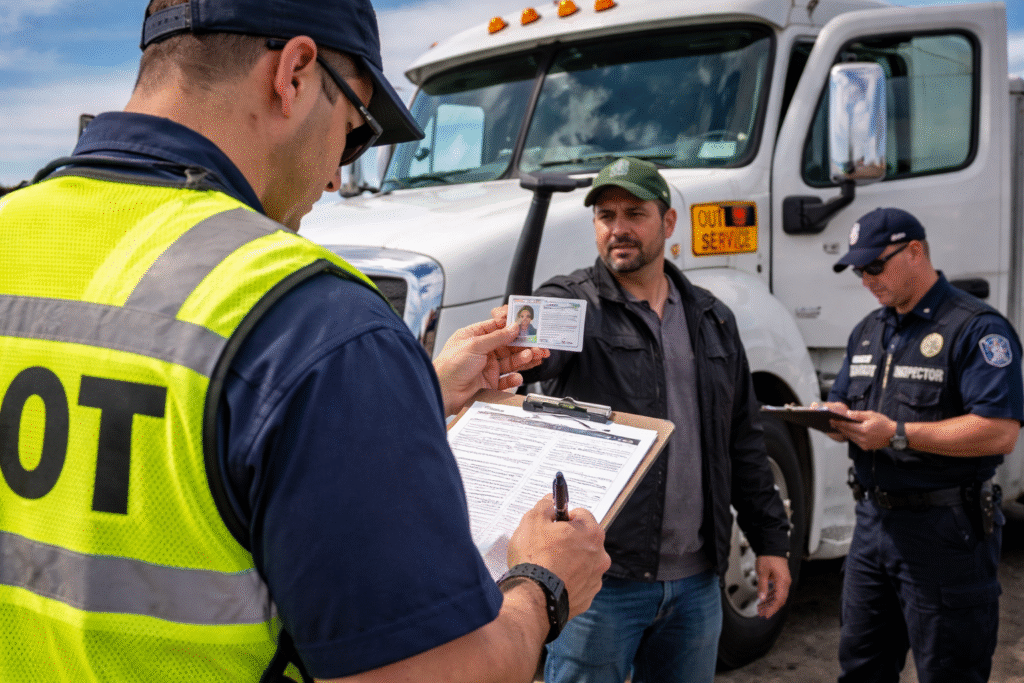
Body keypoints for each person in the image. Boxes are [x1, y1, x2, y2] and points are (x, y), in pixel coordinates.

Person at [0, 1, 610, 681]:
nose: (333, 177)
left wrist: (411, 395)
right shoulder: (314, 319)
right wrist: (542, 587)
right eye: (353, 134)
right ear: (293, 73)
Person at [519, 157, 792, 683]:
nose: (617, 228)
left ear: (667, 224)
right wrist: (520, 341)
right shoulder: (574, 304)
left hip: (697, 585)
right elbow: (536, 346)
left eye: (633, 213)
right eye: (604, 215)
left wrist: (771, 543)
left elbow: (744, 442)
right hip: (600, 580)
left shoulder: (712, 320)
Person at [822, 207, 1024, 683]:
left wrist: (898, 433)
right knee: (861, 668)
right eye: (858, 270)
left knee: (950, 671)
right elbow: (844, 403)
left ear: (915, 251)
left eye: (875, 266)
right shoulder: (870, 331)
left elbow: (1000, 431)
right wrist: (833, 421)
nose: (866, 279)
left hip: (946, 531)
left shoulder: (975, 327)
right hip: (873, 525)